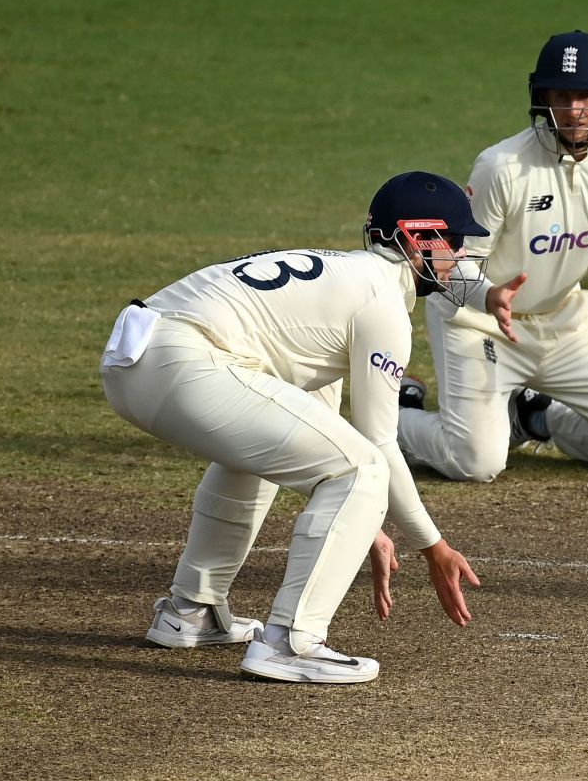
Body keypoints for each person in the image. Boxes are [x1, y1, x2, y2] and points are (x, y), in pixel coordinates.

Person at [102, 172, 506, 683]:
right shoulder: (380, 301)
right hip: (182, 360)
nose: (461, 259)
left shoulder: (342, 281)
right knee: (363, 470)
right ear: (417, 238)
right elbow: (375, 447)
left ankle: (191, 611)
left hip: (134, 359)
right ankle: (291, 643)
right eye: (454, 243)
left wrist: (367, 525)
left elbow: (313, 436)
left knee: (266, 459)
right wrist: (433, 545)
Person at [398, 31, 588, 480]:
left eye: (585, 95)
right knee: (476, 463)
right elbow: (452, 262)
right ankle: (392, 417)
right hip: (483, 325)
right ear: (540, 95)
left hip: (567, 322)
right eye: (561, 95)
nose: (574, 110)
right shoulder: (501, 166)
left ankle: (534, 417)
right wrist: (488, 295)